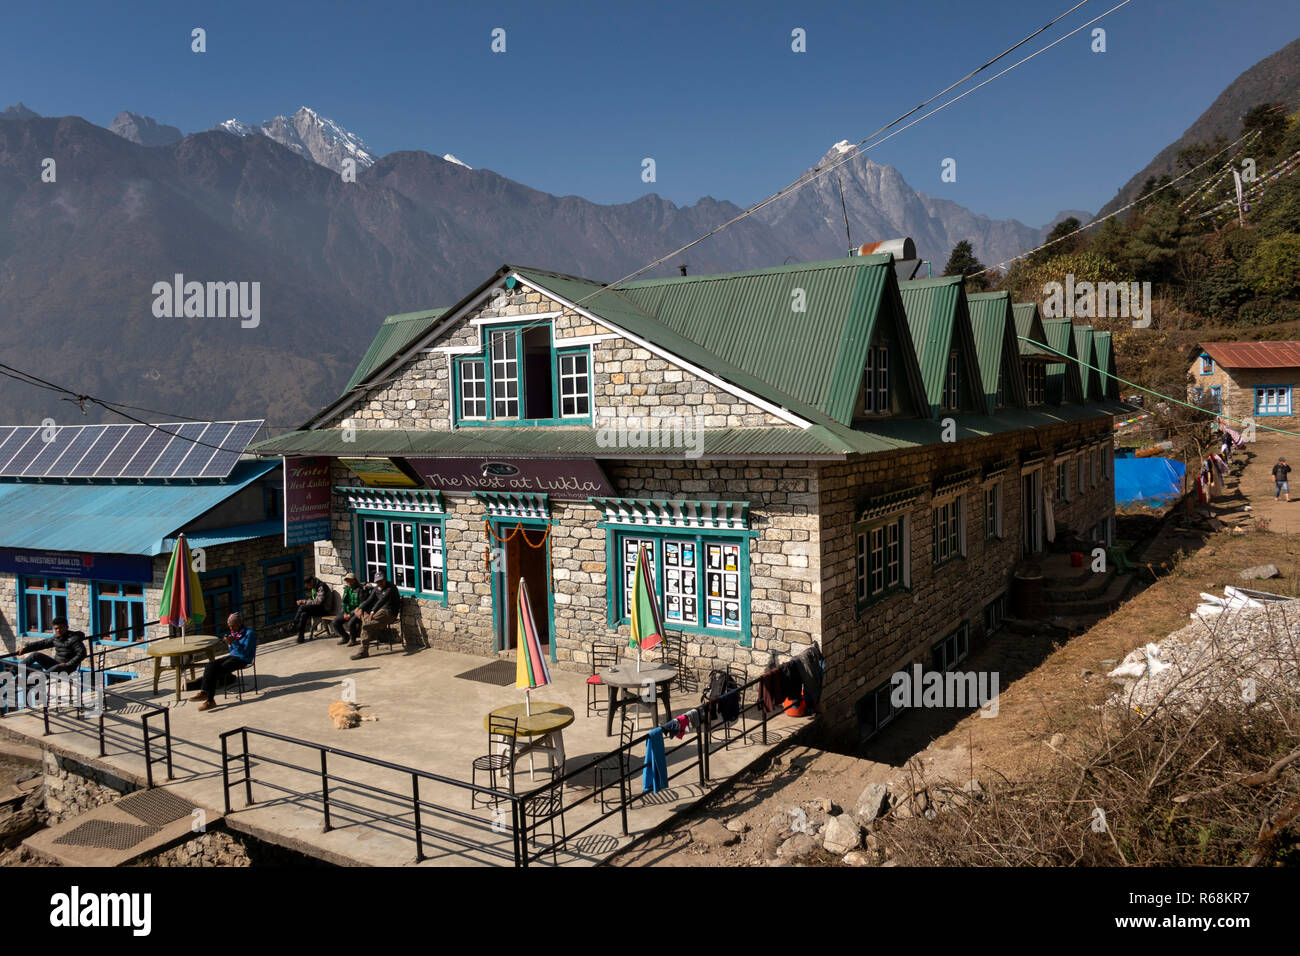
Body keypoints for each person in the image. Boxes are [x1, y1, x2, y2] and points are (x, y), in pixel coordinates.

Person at [190, 612, 257, 711]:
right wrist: (230, 643)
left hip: (243, 659)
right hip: (233, 656)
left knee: (215, 671)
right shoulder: (235, 633)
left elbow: (245, 652)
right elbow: (232, 651)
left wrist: (234, 642)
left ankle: (210, 699)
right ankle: (204, 692)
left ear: (239, 624)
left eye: (232, 626)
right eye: (229, 626)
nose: (231, 629)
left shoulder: (249, 634)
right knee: (210, 665)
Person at [350, 573, 400, 660]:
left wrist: (372, 612)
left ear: (385, 580)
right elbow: (369, 599)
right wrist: (361, 608)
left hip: (389, 613)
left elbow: (381, 601)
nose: (379, 583)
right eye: (377, 582)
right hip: (379, 612)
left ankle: (363, 652)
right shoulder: (377, 588)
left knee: (365, 626)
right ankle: (367, 624)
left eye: (381, 581)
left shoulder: (391, 588)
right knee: (358, 610)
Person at [19, 617, 87, 674]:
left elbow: (82, 653)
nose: (58, 630)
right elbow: (42, 643)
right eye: (56, 628)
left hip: (67, 668)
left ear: (66, 627)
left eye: (61, 628)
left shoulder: (74, 638)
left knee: (57, 667)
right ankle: (13, 672)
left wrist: (68, 664)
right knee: (35, 655)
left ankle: (36, 681)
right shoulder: (56, 638)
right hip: (56, 664)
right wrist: (26, 646)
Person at [290, 575, 334, 643]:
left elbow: (318, 601)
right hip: (318, 608)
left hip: (324, 609)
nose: (308, 587)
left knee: (302, 607)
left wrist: (305, 602)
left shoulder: (321, 587)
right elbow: (313, 599)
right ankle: (300, 637)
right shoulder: (314, 587)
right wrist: (305, 601)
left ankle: (293, 624)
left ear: (312, 581)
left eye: (308, 585)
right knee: (304, 614)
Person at [334, 573, 366, 646]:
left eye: (349, 580)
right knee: (335, 622)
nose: (347, 582)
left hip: (357, 612)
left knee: (351, 623)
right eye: (346, 580)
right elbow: (344, 603)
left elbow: (361, 605)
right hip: (347, 612)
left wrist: (350, 614)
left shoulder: (360, 590)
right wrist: (345, 613)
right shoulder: (346, 589)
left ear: (354, 581)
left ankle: (353, 640)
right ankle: (345, 637)